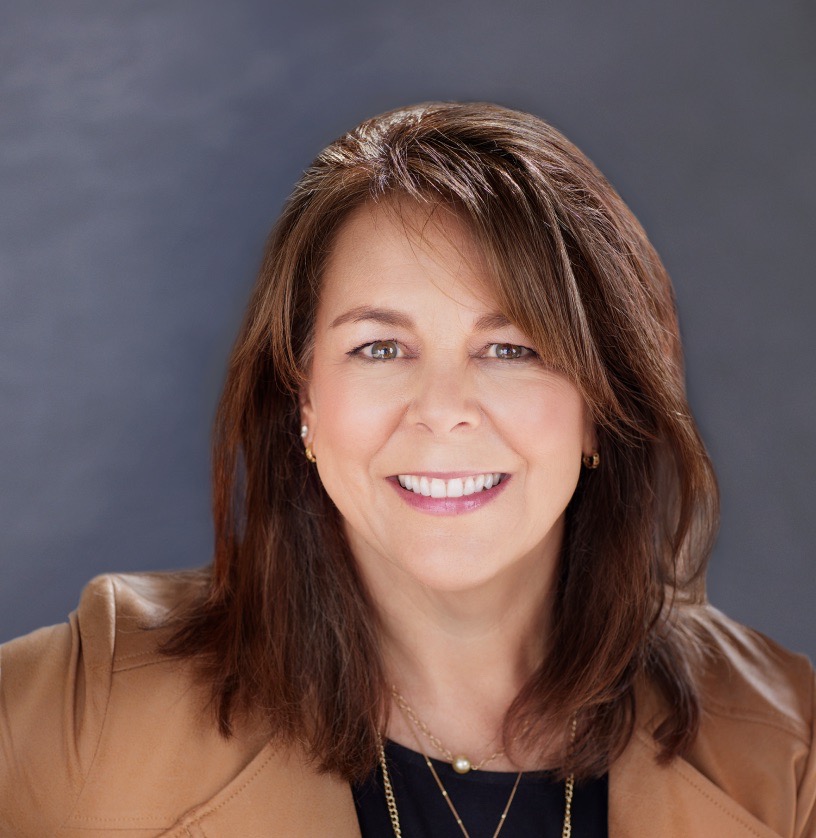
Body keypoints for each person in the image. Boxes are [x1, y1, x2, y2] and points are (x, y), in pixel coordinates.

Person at [0, 102, 813, 837]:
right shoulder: (88, 706)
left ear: (600, 405)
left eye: (511, 348)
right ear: (303, 402)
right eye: (380, 348)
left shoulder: (786, 751)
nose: (442, 407)